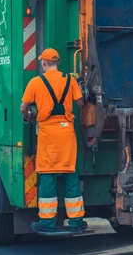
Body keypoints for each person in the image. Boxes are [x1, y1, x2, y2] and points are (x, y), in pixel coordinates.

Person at [20, 48, 87, 234]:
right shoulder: (70, 80)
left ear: (43, 63)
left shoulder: (36, 82)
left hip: (48, 134)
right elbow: (81, 103)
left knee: (47, 176)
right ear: (57, 62)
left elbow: (23, 108)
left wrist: (29, 116)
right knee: (70, 175)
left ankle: (47, 223)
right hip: (67, 134)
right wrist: (79, 85)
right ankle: (76, 222)